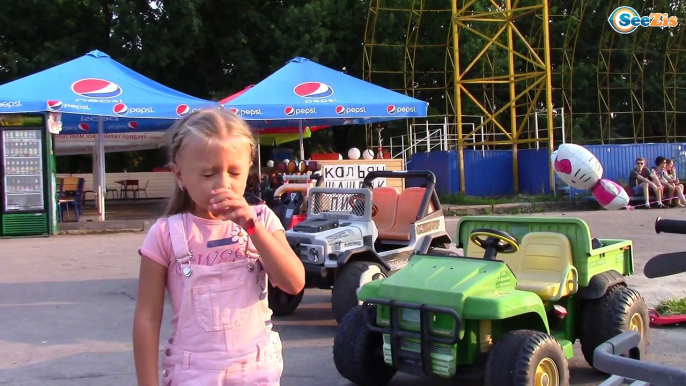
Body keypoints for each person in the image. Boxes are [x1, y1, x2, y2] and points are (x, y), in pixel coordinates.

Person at [133, 109, 305, 386]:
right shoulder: (165, 234)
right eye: (208, 174)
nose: (223, 184)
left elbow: (293, 283)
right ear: (179, 175)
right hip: (192, 372)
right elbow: (147, 318)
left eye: (234, 172)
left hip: (256, 368)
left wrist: (252, 229)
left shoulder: (261, 219)